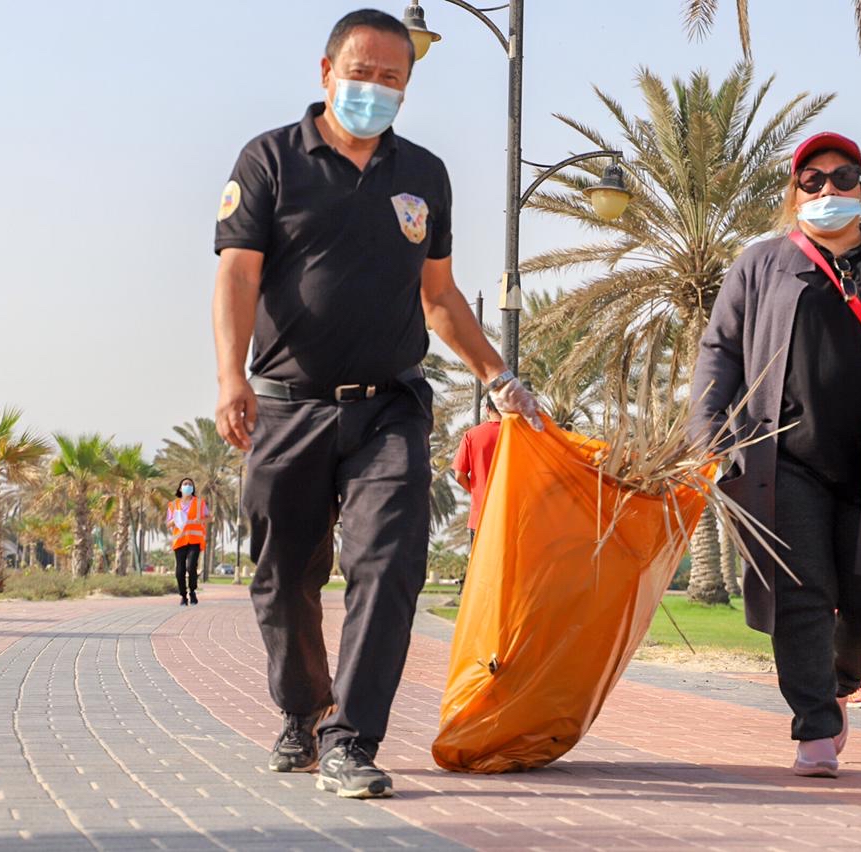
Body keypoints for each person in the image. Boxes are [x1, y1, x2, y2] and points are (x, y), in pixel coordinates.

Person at [210, 9, 543, 800]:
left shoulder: (423, 174)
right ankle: (303, 708)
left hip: (390, 408)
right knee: (283, 576)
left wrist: (498, 377)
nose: (374, 88)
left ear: (407, 87)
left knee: (389, 563)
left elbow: (440, 297)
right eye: (361, 73)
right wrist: (231, 377)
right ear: (327, 72)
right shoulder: (270, 160)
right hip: (286, 404)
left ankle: (351, 740)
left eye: (392, 77)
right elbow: (237, 274)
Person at [687, 131, 861, 778]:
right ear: (795, 192)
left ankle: (835, 682)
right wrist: (708, 431)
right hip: (783, 460)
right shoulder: (761, 264)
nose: (828, 189)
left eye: (843, 177)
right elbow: (720, 349)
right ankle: (815, 726)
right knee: (801, 594)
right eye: (813, 180)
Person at [452, 398, 502, 550]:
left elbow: (459, 476)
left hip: (481, 517)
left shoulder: (471, 435)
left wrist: (478, 493)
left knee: (482, 565)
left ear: (487, 409)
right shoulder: (519, 435)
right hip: (512, 517)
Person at [166, 478, 209, 606]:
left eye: (190, 484)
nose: (188, 486)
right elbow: (168, 524)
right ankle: (183, 595)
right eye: (185, 484)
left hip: (195, 540)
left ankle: (192, 591)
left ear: (193, 488)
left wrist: (201, 520)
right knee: (180, 570)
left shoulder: (200, 503)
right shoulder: (173, 505)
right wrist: (175, 520)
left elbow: (209, 517)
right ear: (180, 488)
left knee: (191, 567)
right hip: (179, 540)